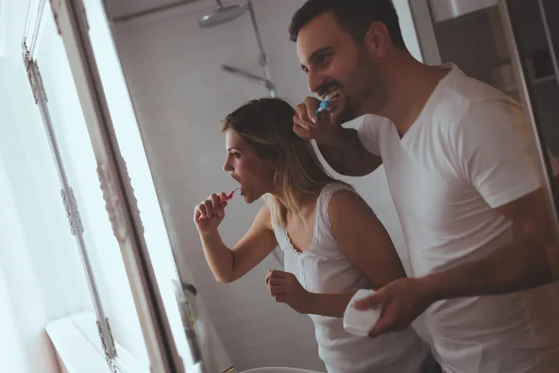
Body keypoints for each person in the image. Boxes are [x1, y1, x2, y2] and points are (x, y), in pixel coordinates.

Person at [288, 0, 559, 372]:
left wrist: (431, 288)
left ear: (377, 39)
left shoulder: (472, 117)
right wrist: (327, 135)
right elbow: (358, 160)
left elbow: (553, 246)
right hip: (459, 361)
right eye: (307, 68)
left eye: (323, 59)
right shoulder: (385, 122)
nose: (313, 83)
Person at [193, 98, 439, 373]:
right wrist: (208, 232)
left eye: (236, 154)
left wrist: (309, 301)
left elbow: (399, 300)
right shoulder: (276, 213)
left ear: (272, 155)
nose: (226, 166)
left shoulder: (338, 208)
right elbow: (229, 269)